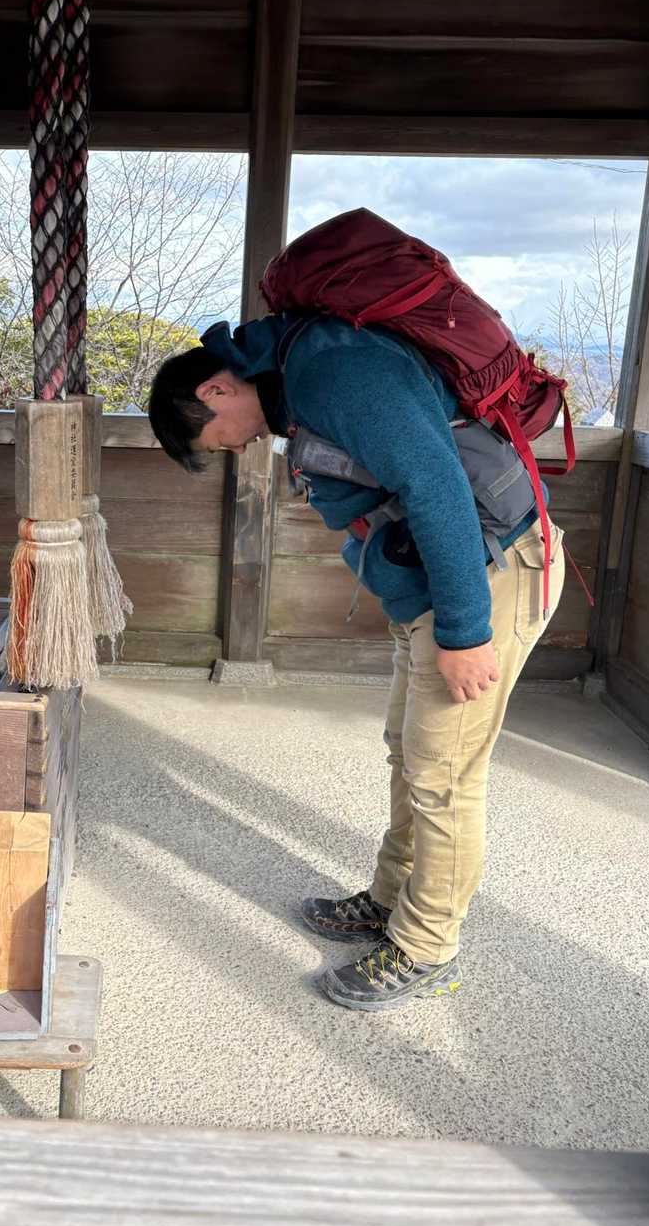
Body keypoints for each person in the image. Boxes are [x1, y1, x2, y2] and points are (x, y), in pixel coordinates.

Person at [148, 305, 565, 1013]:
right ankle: (390, 899)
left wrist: (465, 634)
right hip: (439, 583)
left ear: (215, 390)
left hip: (488, 576)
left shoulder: (332, 370)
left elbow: (435, 485)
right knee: (410, 753)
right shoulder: (297, 380)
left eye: (218, 440)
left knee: (444, 775)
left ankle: (427, 946)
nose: (235, 447)